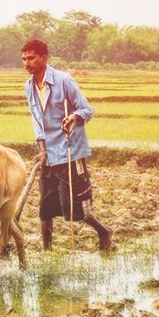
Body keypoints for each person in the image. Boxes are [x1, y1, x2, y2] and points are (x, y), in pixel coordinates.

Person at [20, 39, 113, 251]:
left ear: (44, 58)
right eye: (24, 59)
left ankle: (104, 231)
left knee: (74, 207)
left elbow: (87, 109)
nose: (27, 63)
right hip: (48, 154)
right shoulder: (29, 87)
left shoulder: (63, 81)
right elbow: (37, 121)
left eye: (32, 58)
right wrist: (41, 148)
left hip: (69, 150)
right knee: (45, 206)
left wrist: (74, 117)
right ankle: (47, 251)